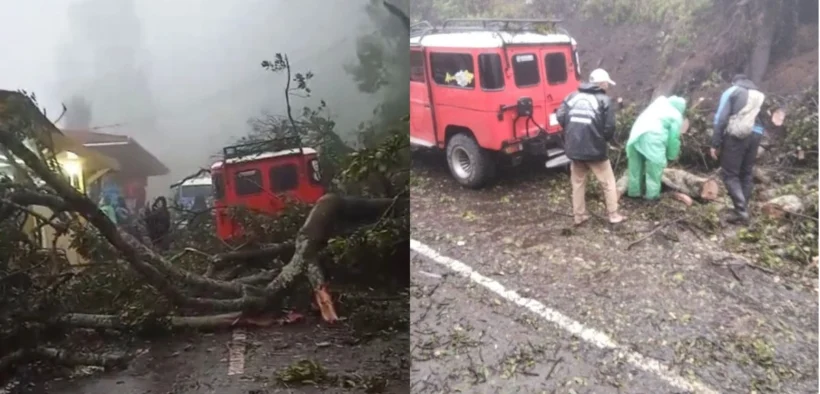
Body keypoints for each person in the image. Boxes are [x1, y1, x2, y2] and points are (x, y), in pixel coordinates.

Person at [556, 68, 625, 225]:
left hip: (574, 149)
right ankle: (613, 215)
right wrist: (602, 140)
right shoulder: (604, 100)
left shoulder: (572, 97)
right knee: (608, 183)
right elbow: (609, 127)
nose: (608, 85)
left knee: (578, 183)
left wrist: (572, 133)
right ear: (601, 83)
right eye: (607, 83)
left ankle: (579, 216)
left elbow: (560, 116)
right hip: (595, 151)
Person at [711, 74, 766, 224]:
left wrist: (715, 143)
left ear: (734, 81)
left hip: (738, 135)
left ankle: (741, 212)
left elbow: (721, 118)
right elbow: (763, 120)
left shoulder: (733, 91)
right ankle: (742, 210)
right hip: (757, 134)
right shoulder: (759, 95)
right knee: (746, 172)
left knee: (730, 174)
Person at [625, 96, 687, 200]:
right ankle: (651, 198)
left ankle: (634, 193)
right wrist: (671, 155)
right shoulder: (676, 115)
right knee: (654, 169)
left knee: (635, 168)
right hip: (653, 138)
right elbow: (673, 138)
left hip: (635, 135)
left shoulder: (657, 106)